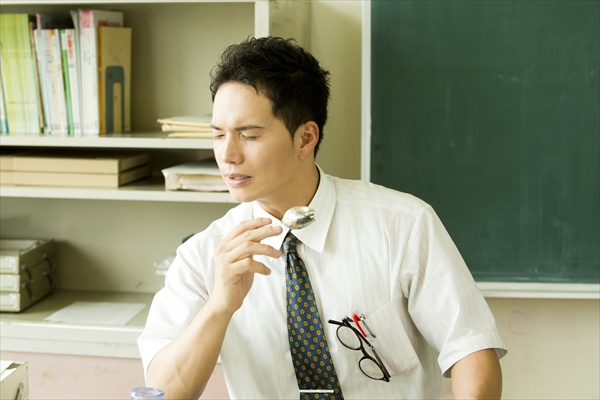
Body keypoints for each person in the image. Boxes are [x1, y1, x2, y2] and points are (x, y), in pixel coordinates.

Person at [138, 37, 507, 400]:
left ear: (305, 138)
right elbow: (163, 393)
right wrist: (219, 305)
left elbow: (472, 350)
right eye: (218, 135)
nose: (228, 155)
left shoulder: (404, 225)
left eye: (248, 135)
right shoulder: (205, 254)